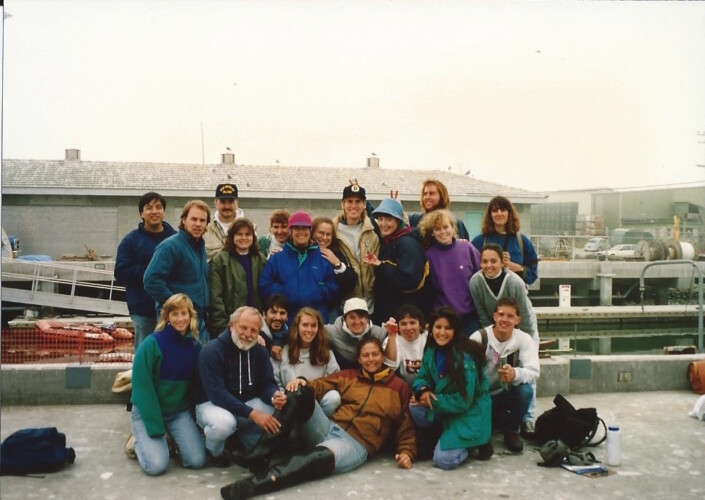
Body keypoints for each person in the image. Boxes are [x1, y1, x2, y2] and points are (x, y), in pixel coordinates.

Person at [220, 336, 416, 500]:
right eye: (366, 355)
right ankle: (260, 455)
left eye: (375, 354)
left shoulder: (398, 387)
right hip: (328, 428)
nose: (371, 359)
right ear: (359, 359)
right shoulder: (349, 376)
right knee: (300, 392)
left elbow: (405, 425)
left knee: (315, 459)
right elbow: (321, 385)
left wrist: (406, 452)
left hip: (354, 444)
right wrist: (302, 382)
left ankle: (254, 485)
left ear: (382, 356)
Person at [195, 306, 287, 467]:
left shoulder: (259, 350)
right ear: (231, 325)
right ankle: (214, 452)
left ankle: (246, 441)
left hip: (243, 404)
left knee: (276, 409)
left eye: (254, 330)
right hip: (211, 404)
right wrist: (252, 414)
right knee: (224, 424)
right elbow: (217, 394)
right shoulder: (211, 350)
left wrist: (274, 395)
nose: (248, 334)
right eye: (243, 327)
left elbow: (267, 383)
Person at [130, 293, 206, 476]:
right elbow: (142, 389)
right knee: (157, 466)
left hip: (177, 413)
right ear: (167, 317)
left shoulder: (195, 347)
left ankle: (169, 440)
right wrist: (156, 428)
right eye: (175, 314)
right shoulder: (152, 343)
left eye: (184, 313)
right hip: (148, 411)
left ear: (190, 316)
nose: (180, 319)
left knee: (197, 461)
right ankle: (136, 442)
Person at [470, 243, 540, 437]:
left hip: (520, 326)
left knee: (525, 375)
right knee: (492, 369)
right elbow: (483, 315)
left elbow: (524, 318)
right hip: (496, 325)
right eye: (484, 261)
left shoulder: (514, 282)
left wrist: (517, 342)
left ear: (502, 262)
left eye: (494, 261)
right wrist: (495, 337)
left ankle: (526, 419)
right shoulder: (475, 282)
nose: (489, 265)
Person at [410, 307, 492, 470]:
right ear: (430, 329)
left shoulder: (466, 357)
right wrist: (423, 391)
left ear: (456, 330)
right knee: (414, 408)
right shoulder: (432, 350)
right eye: (438, 327)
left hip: (468, 412)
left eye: (448, 328)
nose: (442, 332)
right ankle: (445, 436)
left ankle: (475, 444)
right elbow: (423, 376)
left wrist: (432, 400)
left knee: (444, 460)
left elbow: (464, 400)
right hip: (446, 406)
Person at [469, 297, 540, 453]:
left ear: (517, 320)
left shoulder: (523, 339)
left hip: (504, 393)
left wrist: (515, 373)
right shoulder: (479, 337)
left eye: (510, 316)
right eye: (501, 315)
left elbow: (534, 371)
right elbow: (464, 369)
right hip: (482, 396)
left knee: (525, 391)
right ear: (494, 316)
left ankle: (512, 430)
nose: (504, 319)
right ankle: (486, 427)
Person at [115, 192, 177, 348]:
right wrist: (152, 270)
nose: (154, 211)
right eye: (149, 208)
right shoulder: (130, 241)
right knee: (145, 353)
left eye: (158, 207)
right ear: (141, 213)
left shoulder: (176, 239)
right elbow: (121, 273)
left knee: (172, 353)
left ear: (164, 211)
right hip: (143, 310)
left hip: (173, 308)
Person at [144, 200, 210, 342]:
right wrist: (177, 306)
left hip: (199, 322)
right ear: (184, 220)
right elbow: (151, 281)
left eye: (202, 220)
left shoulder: (200, 249)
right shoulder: (170, 247)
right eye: (194, 219)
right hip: (177, 323)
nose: (198, 224)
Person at [259, 210, 339, 325]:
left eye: (305, 228)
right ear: (291, 231)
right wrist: (286, 292)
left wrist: (317, 290)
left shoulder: (323, 257)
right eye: (297, 228)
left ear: (310, 231)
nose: (301, 232)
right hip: (287, 321)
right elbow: (265, 287)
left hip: (316, 322)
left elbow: (333, 290)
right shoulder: (277, 258)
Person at [364, 198, 429, 324]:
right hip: (389, 312)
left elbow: (409, 280)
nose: (384, 224)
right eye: (381, 219)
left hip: (404, 316)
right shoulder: (390, 240)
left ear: (398, 221)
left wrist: (381, 266)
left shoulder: (409, 244)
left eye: (389, 219)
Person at [419, 209, 481, 335]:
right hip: (444, 319)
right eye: (437, 229)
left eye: (446, 227)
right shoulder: (429, 256)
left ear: (453, 228)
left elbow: (482, 279)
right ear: (432, 233)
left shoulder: (467, 249)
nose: (443, 232)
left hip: (470, 318)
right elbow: (428, 292)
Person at [208, 218, 265, 337]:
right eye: (239, 234)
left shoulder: (260, 259)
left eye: (248, 234)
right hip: (230, 325)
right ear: (232, 237)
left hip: (256, 323)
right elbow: (215, 297)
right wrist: (223, 326)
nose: (244, 238)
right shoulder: (220, 260)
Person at [278, 307, 341, 416]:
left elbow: (334, 380)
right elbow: (275, 379)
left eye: (313, 325)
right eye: (305, 325)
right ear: (297, 327)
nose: (309, 330)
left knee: (334, 397)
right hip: (289, 403)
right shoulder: (284, 350)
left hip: (316, 405)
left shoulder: (326, 352)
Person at [471, 195, 538, 285]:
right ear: (490, 214)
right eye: (495, 210)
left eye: (503, 210)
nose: (499, 214)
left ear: (509, 213)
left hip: (514, 296)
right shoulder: (479, 241)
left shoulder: (522, 241)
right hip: (487, 296)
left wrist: (519, 269)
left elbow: (533, 274)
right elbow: (470, 271)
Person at [333, 183, 379, 312]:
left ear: (364, 204)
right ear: (343, 204)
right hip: (345, 304)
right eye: (350, 201)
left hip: (372, 303)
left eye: (358, 201)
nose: (354, 206)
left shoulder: (373, 229)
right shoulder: (332, 232)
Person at [325, 297, 392, 370]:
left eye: (361, 317)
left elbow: (391, 363)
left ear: (367, 318)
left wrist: (392, 335)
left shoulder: (380, 333)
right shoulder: (331, 332)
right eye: (352, 317)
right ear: (344, 319)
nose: (357, 322)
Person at [312, 216, 358, 321]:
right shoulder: (304, 251)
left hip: (330, 310)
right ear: (313, 233)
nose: (324, 238)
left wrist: (337, 264)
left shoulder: (336, 253)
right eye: (321, 233)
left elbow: (351, 283)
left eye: (328, 234)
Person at [382, 304, 428, 388]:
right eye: (403, 324)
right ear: (398, 327)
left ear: (420, 325)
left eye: (412, 322)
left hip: (428, 386)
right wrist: (391, 335)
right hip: (404, 387)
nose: (408, 328)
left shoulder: (428, 337)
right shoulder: (392, 339)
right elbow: (390, 366)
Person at [205, 183, 244, 262]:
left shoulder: (250, 229)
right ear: (215, 203)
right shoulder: (205, 229)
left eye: (231, 202)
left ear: (237, 203)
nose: (227, 206)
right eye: (223, 202)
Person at [259, 293, 290, 365]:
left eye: (282, 313)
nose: (278, 318)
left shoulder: (290, 336)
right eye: (273, 312)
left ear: (287, 317)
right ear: (264, 314)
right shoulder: (255, 335)